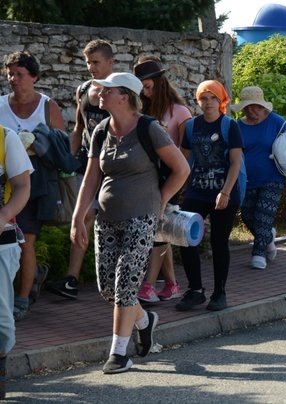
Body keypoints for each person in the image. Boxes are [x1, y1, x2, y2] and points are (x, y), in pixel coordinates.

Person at [71, 72, 189, 374]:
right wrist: (78, 217)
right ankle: (144, 321)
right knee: (108, 288)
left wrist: (160, 202)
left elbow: (181, 169)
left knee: (125, 286)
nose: (100, 92)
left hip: (142, 217)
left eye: (108, 90)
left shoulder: (149, 129)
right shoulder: (100, 130)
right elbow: (91, 178)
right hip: (107, 218)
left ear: (124, 96)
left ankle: (119, 353)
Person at [47, 39, 115, 300]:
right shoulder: (84, 89)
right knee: (83, 217)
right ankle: (72, 279)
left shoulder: (122, 91)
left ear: (110, 62)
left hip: (112, 167)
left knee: (98, 219)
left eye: (96, 62)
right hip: (86, 164)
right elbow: (79, 128)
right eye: (88, 62)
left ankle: (104, 278)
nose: (91, 67)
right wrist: (68, 159)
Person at [0, 51, 66, 321]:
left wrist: (38, 144)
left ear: (34, 77)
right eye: (10, 74)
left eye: (20, 74)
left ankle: (22, 299)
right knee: (16, 242)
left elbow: (63, 143)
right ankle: (34, 274)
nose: (14, 79)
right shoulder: (1, 104)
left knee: (26, 239)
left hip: (36, 180)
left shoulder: (47, 106)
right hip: (5, 180)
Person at [177, 80, 244, 312]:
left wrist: (225, 192)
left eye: (212, 98)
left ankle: (219, 293)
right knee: (185, 237)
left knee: (218, 242)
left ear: (220, 100)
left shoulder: (229, 126)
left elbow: (235, 162)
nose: (207, 103)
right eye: (203, 99)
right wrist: (176, 191)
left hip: (224, 191)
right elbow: (183, 161)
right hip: (197, 190)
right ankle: (196, 290)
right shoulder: (191, 126)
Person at [134, 58, 193, 303]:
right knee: (162, 230)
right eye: (141, 88)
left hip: (170, 178)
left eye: (148, 87)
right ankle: (171, 283)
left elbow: (187, 152)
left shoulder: (180, 111)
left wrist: (181, 185)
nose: (145, 92)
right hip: (147, 176)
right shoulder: (142, 110)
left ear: (159, 82)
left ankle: (148, 285)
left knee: (158, 231)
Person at [231, 86, 286, 270]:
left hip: (272, 178)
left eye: (255, 106)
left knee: (263, 214)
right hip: (247, 180)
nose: (252, 110)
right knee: (248, 216)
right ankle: (268, 238)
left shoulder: (275, 121)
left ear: (263, 106)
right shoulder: (238, 126)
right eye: (248, 107)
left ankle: (258, 254)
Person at [0, 125, 32, 398]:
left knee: (1, 321)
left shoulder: (5, 137)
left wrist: (4, 214)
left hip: (2, 240)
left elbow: (22, 185)